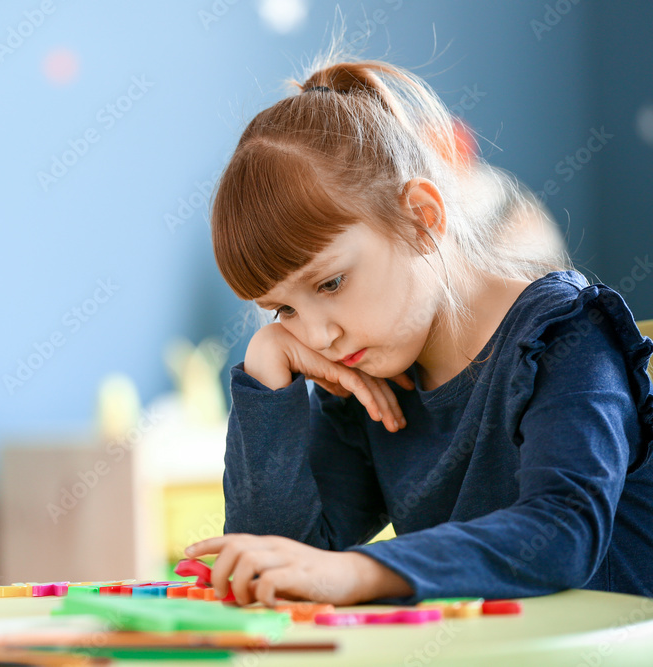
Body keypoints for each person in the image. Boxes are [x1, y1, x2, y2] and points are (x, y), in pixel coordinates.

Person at [183, 52, 653, 608]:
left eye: (330, 284)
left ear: (421, 219)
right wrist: (267, 371)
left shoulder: (566, 334)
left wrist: (357, 572)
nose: (316, 337)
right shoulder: (369, 374)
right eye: (282, 310)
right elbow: (280, 560)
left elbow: (561, 536)